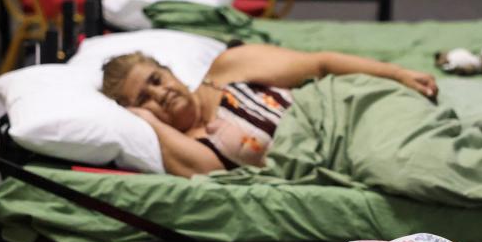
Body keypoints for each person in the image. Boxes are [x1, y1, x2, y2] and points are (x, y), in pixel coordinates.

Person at [101, 45, 438, 176]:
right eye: (145, 98)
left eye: (157, 79)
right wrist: (145, 120)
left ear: (170, 70)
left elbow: (320, 64)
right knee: (429, 166)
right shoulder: (189, 144)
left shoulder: (226, 70)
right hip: (344, 154)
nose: (160, 94)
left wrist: (398, 74)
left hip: (348, 108)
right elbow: (206, 171)